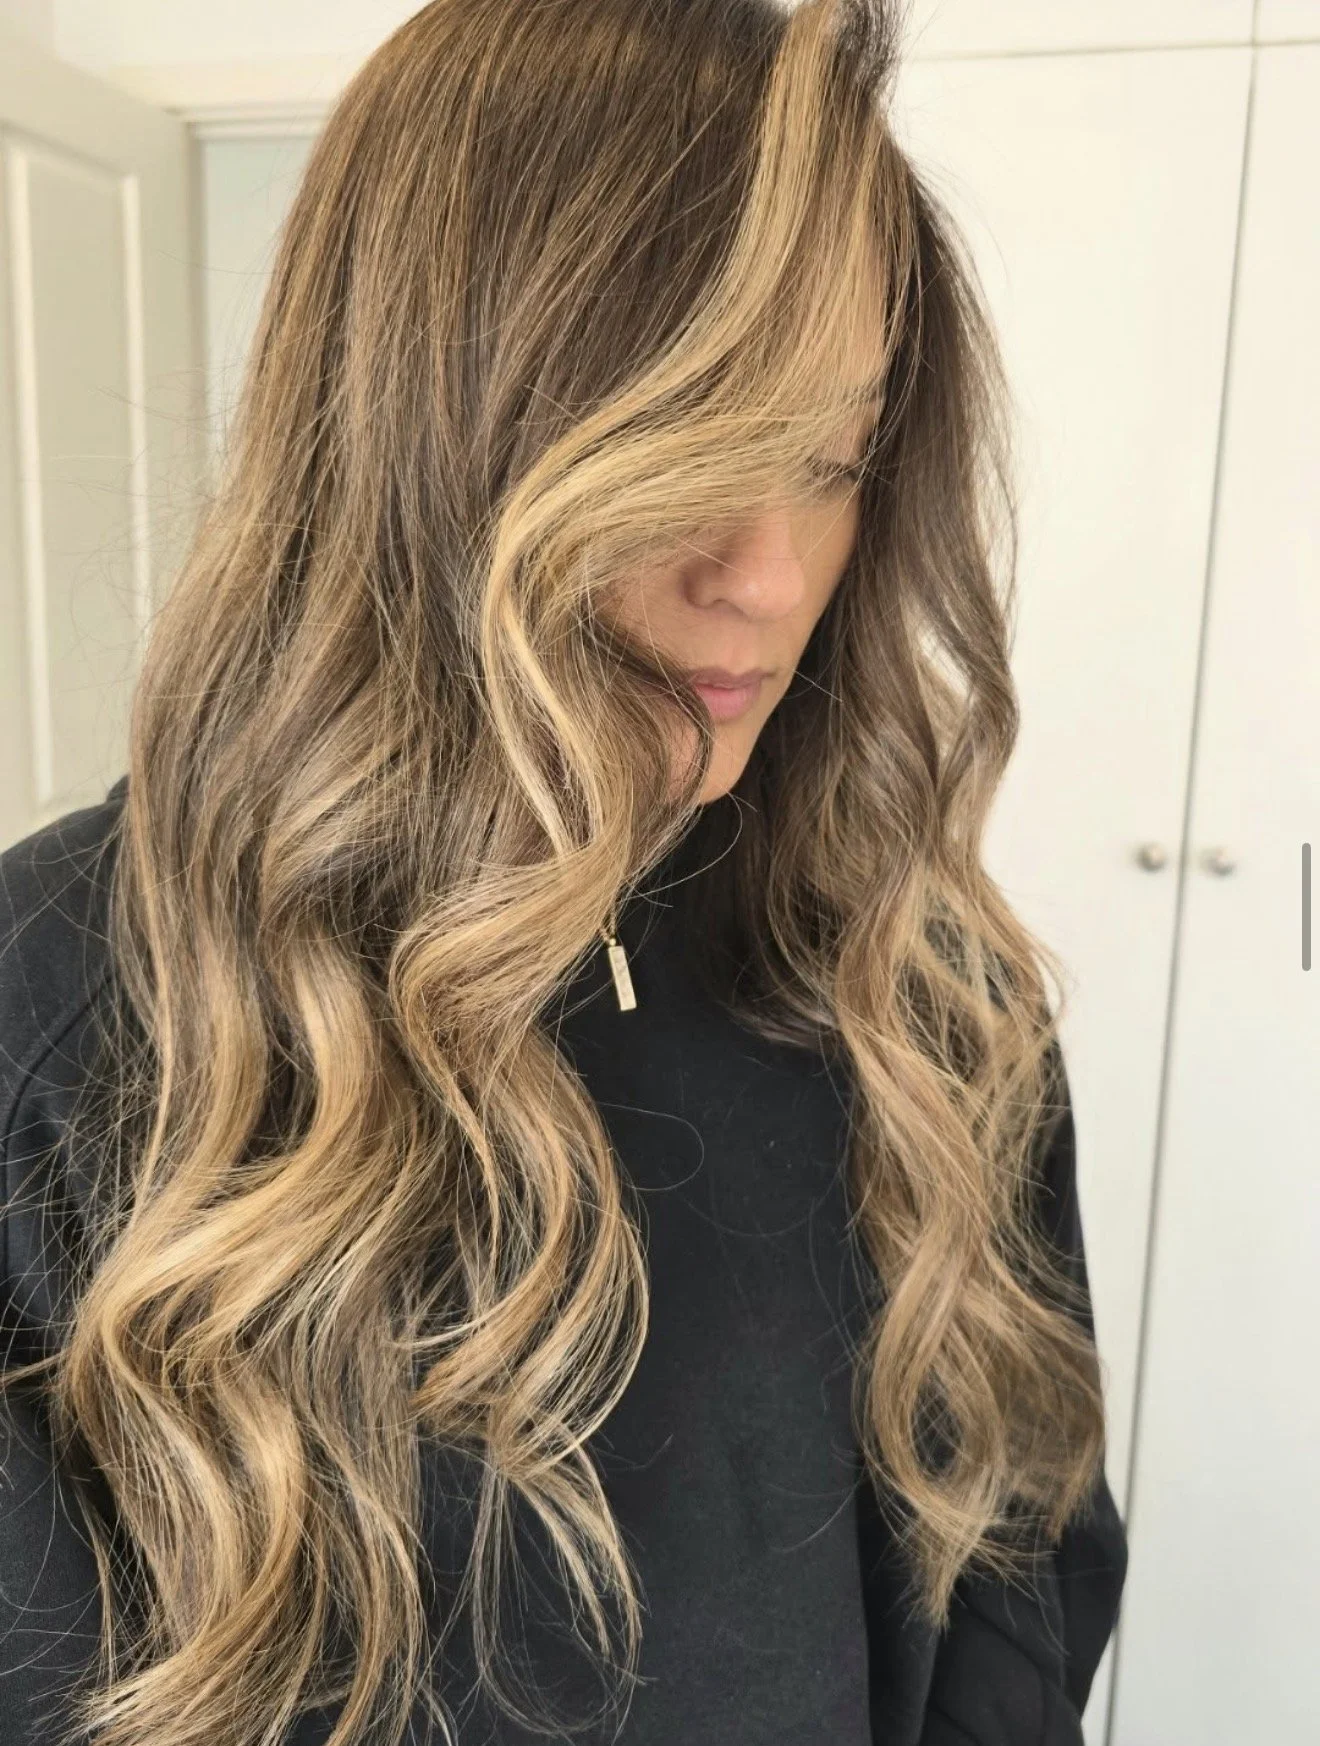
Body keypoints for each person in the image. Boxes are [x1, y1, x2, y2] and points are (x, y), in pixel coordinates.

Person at [0, 1, 1128, 1743]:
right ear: (416, 438)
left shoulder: (926, 1002)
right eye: (683, 450)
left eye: (829, 460)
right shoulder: (52, 1032)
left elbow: (1025, 1585)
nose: (765, 574)